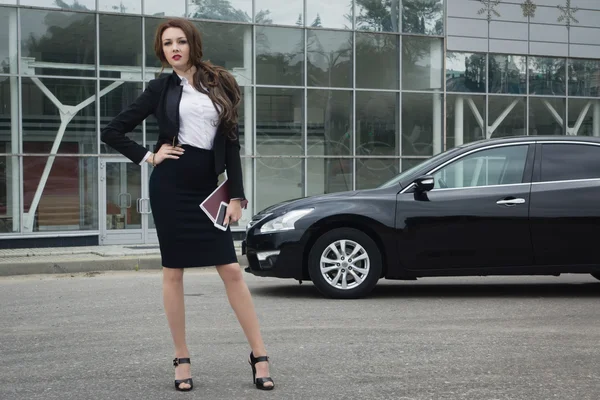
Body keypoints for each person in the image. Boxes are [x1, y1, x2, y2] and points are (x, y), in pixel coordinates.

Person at [100, 17, 274, 392]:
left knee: (230, 269)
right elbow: (112, 130)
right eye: (167, 44)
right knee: (173, 272)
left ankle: (259, 355)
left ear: (193, 43)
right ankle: (181, 357)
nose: (174, 48)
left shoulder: (221, 83)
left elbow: (230, 143)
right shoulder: (160, 88)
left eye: (180, 41)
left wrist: (236, 196)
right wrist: (149, 156)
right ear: (161, 50)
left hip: (208, 191)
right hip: (171, 187)